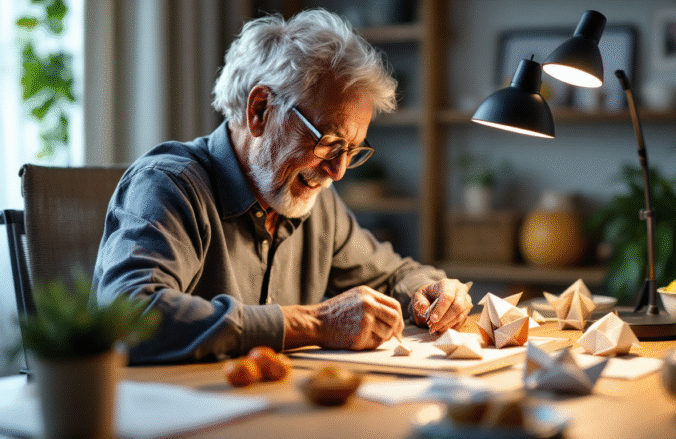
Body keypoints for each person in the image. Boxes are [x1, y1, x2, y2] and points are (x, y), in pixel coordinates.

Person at [92, 9, 472, 364]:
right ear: (260, 110)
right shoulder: (168, 185)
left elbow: (392, 276)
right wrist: (313, 324)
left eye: (351, 151)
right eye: (328, 142)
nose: (338, 172)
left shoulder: (317, 203)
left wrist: (433, 290)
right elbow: (127, 316)